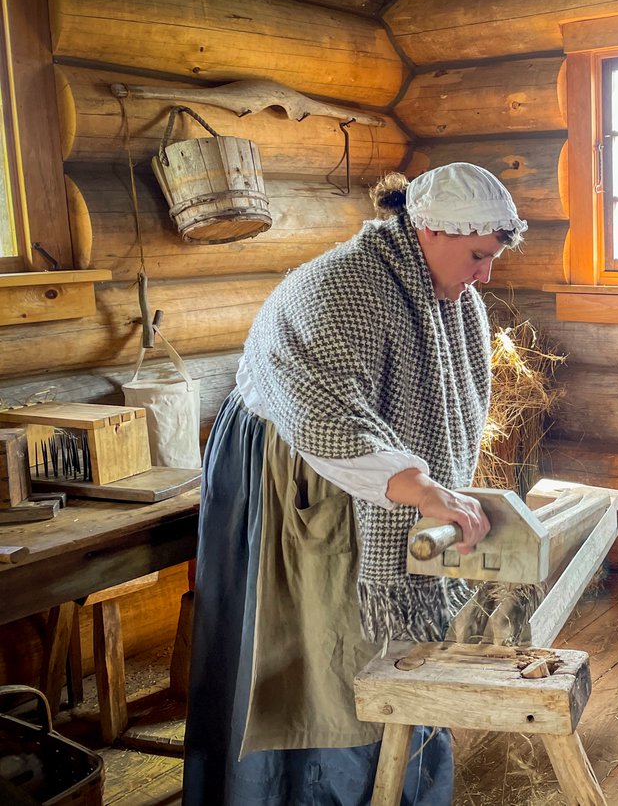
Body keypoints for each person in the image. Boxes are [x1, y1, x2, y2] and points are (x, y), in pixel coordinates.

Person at [182, 163, 527, 805]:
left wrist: (431, 487)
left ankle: (397, 781)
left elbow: (451, 408)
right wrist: (422, 490)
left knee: (384, 647)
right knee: (325, 654)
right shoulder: (341, 288)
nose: (486, 274)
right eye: (479, 256)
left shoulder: (448, 298)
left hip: (374, 477)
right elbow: (328, 416)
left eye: (494, 257)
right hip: (297, 477)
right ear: (428, 229)